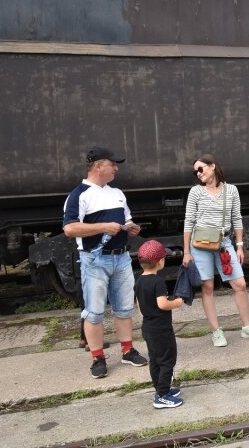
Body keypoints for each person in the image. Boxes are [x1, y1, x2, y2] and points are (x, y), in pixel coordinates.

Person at [62, 146, 147, 378]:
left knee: (124, 309)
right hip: (94, 260)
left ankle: (127, 350)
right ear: (99, 166)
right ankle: (97, 357)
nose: (116, 168)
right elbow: (69, 228)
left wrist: (132, 228)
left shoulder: (117, 193)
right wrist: (102, 227)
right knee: (94, 313)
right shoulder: (79, 194)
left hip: (121, 258)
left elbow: (127, 219)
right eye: (113, 164)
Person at [182, 153, 249, 347]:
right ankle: (216, 331)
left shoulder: (231, 190)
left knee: (240, 284)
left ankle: (246, 327)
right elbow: (189, 222)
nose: (198, 173)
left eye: (200, 168)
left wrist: (239, 245)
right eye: (195, 171)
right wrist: (186, 251)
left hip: (224, 242)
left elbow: (237, 218)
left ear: (212, 166)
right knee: (208, 287)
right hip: (200, 244)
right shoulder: (196, 192)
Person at [134, 240, 184, 409]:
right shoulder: (158, 282)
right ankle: (162, 395)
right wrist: (176, 303)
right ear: (160, 261)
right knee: (168, 360)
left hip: (148, 327)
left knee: (155, 360)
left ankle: (160, 389)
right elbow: (163, 304)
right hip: (161, 329)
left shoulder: (139, 280)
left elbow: (139, 306)